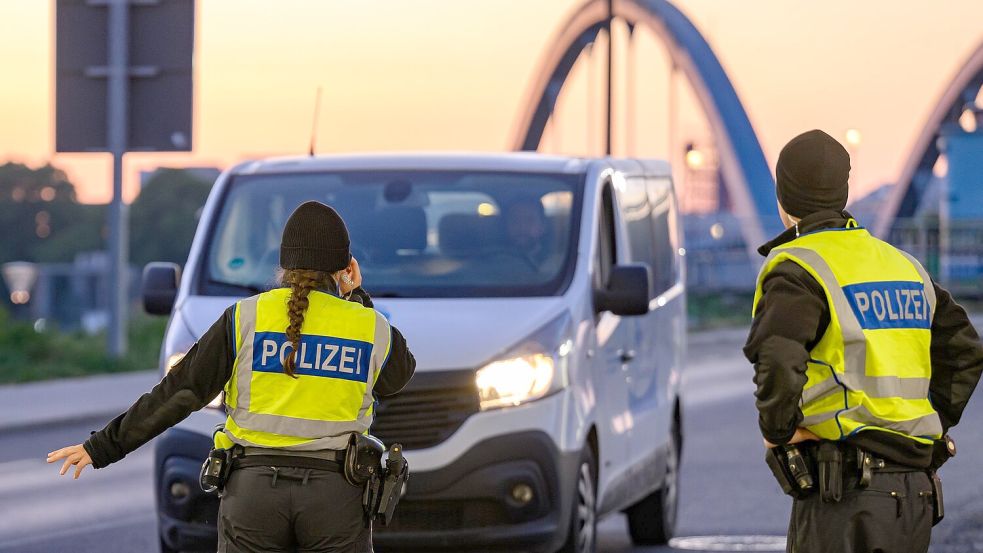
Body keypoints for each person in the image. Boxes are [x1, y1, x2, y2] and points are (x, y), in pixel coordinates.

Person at [47, 201, 416, 553]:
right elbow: (397, 379)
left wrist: (101, 447)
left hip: (253, 494)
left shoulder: (244, 318)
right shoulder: (369, 327)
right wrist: (357, 298)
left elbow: (180, 392)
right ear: (345, 268)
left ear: (284, 266)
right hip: (334, 497)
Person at [744, 129, 983, 553]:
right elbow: (966, 350)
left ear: (784, 197)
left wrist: (778, 433)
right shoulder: (902, 265)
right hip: (915, 496)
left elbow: (778, 359)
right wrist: (924, 424)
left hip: (845, 500)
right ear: (843, 191)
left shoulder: (797, 268)